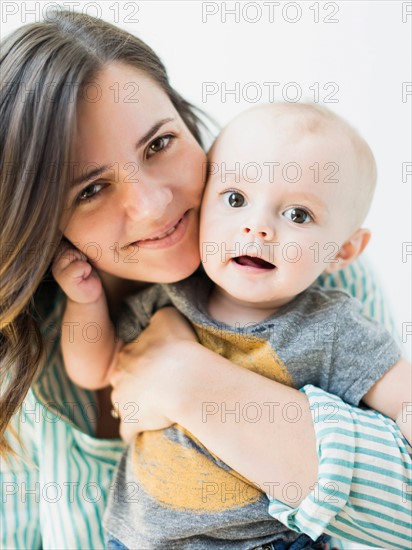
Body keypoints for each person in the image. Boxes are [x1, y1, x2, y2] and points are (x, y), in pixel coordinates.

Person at [0, 10, 410, 550]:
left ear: (186, 121)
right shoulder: (22, 355)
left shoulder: (308, 265)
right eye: (91, 190)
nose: (151, 205)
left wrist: (190, 384)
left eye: (158, 145)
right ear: (41, 220)